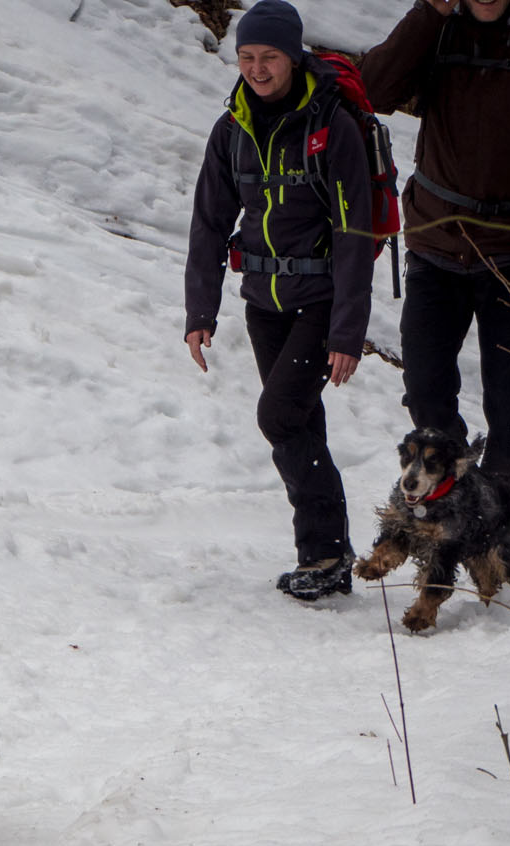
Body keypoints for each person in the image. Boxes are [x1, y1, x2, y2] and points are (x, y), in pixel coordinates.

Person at [359, 0, 510, 483]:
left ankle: (505, 519)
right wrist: (428, 12)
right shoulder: (435, 31)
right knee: (426, 391)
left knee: (506, 398)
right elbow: (371, 90)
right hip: (435, 244)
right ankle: (458, 493)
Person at [184, 0, 377, 601]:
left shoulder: (331, 127)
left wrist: (348, 331)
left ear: (293, 57)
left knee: (279, 416)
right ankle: (326, 556)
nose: (258, 69)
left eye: (269, 57)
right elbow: (209, 224)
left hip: (319, 297)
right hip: (262, 300)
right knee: (299, 423)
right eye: (246, 56)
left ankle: (326, 552)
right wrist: (200, 312)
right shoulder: (232, 128)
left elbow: (355, 231)